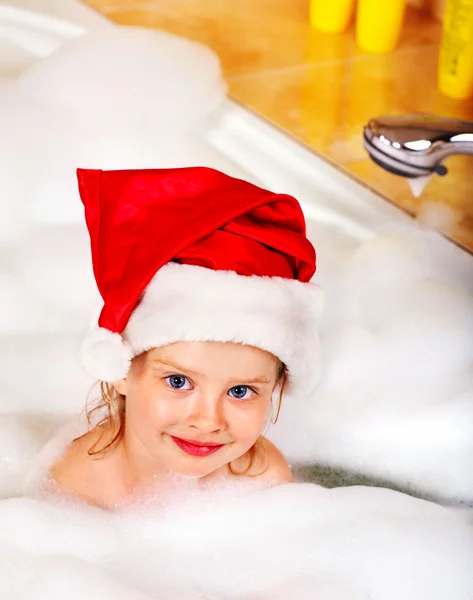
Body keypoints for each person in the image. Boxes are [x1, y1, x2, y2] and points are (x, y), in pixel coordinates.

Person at [47, 166, 323, 509]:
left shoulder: (262, 478)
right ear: (121, 371)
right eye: (178, 381)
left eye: (241, 391)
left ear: (276, 387)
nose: (208, 421)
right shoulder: (76, 483)